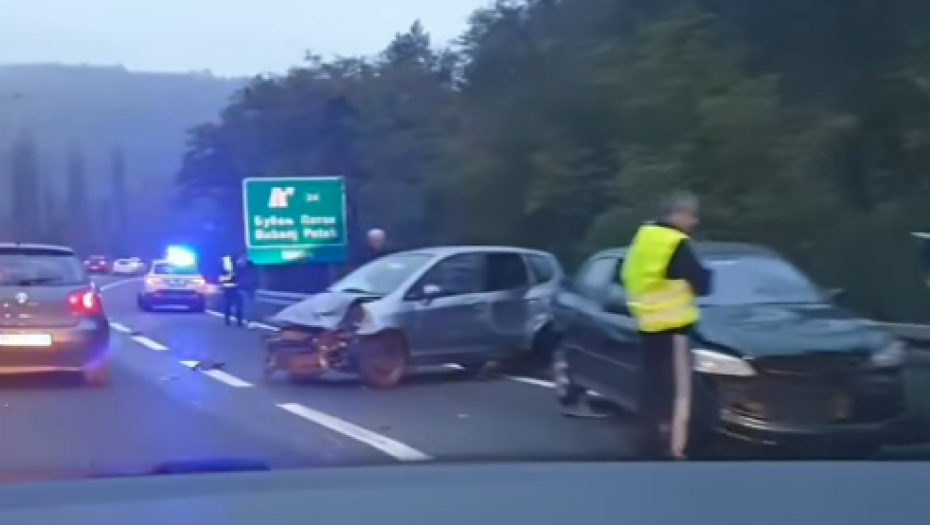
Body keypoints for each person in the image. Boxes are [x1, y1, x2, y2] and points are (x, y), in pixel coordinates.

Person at [621, 191, 711, 459]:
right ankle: (675, 447)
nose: (693, 222)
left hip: (648, 323)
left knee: (651, 386)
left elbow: (627, 275)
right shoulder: (674, 242)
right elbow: (702, 283)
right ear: (678, 214)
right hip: (674, 326)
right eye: (691, 216)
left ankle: (647, 440)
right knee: (678, 390)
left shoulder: (644, 238)